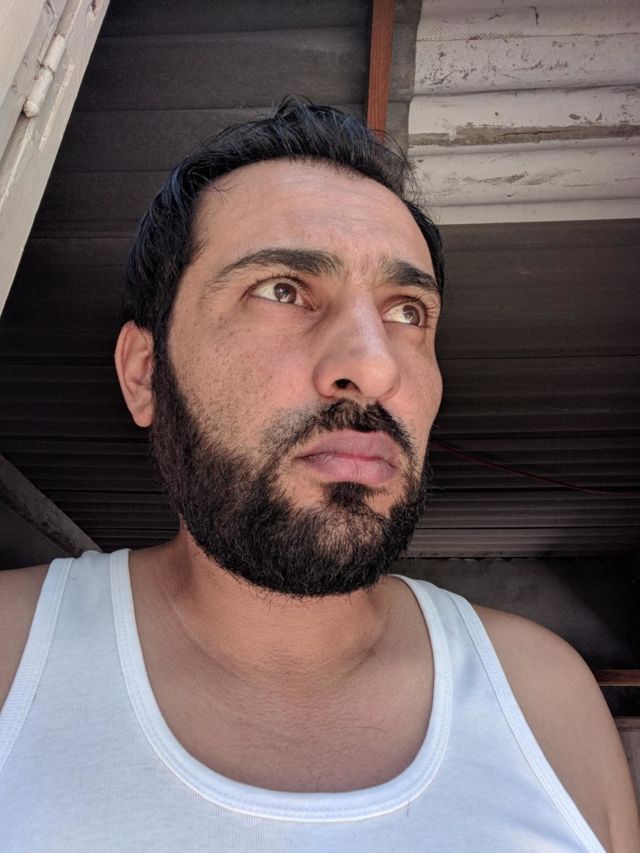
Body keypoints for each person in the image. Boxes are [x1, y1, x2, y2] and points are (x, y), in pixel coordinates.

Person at [0, 100, 637, 852]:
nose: (374, 367)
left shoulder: (544, 696)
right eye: (282, 289)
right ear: (145, 374)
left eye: (407, 311)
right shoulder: (13, 656)